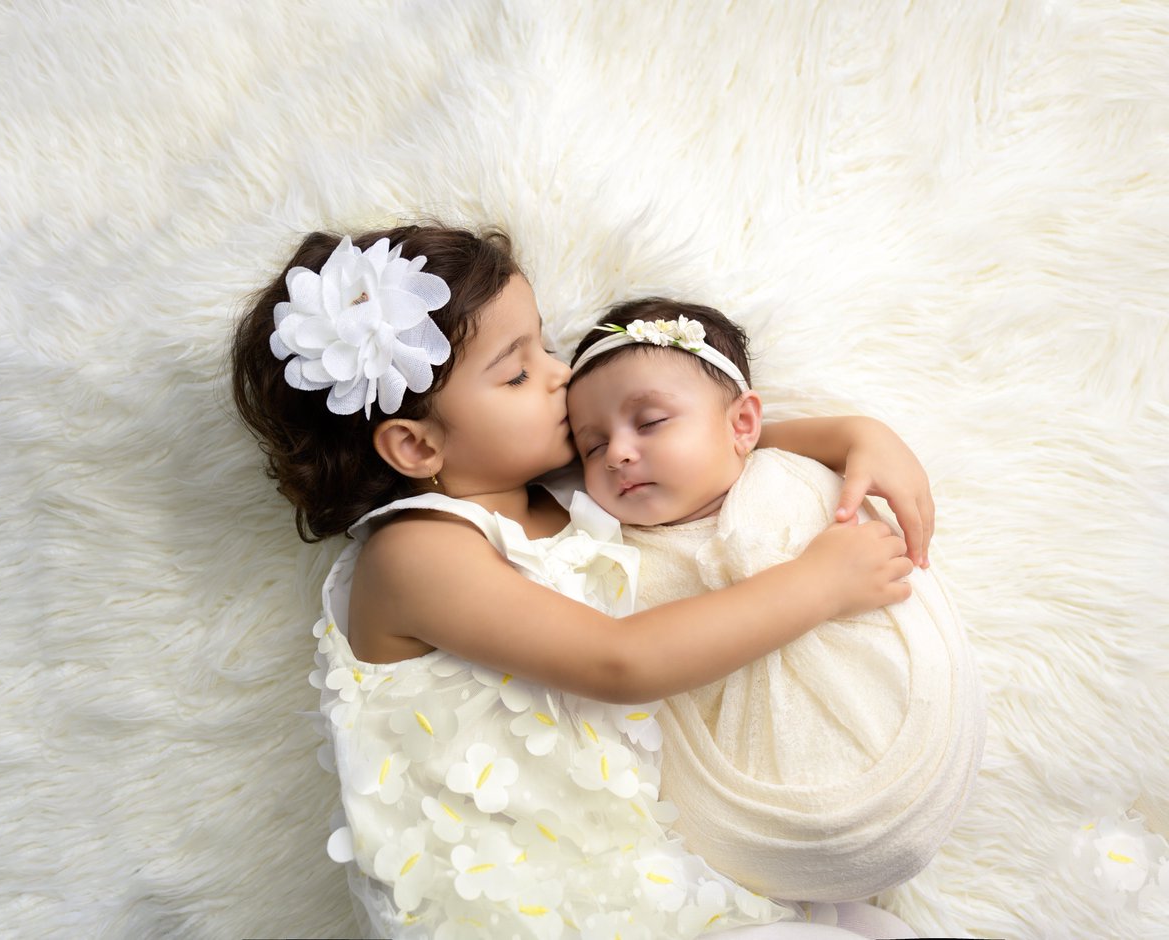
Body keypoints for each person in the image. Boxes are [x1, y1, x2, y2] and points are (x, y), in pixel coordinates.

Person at [230, 224, 928, 939]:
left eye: (544, 346)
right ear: (417, 445)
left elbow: (698, 447)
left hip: (633, 878)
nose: (561, 375)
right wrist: (815, 587)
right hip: (505, 909)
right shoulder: (416, 555)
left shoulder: (566, 494)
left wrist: (852, 435)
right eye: (517, 373)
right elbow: (619, 661)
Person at [566, 299, 986, 906]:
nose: (618, 454)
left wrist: (858, 433)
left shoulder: (795, 478)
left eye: (650, 421)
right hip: (757, 827)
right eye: (591, 446)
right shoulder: (610, 554)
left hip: (904, 766)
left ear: (742, 426)